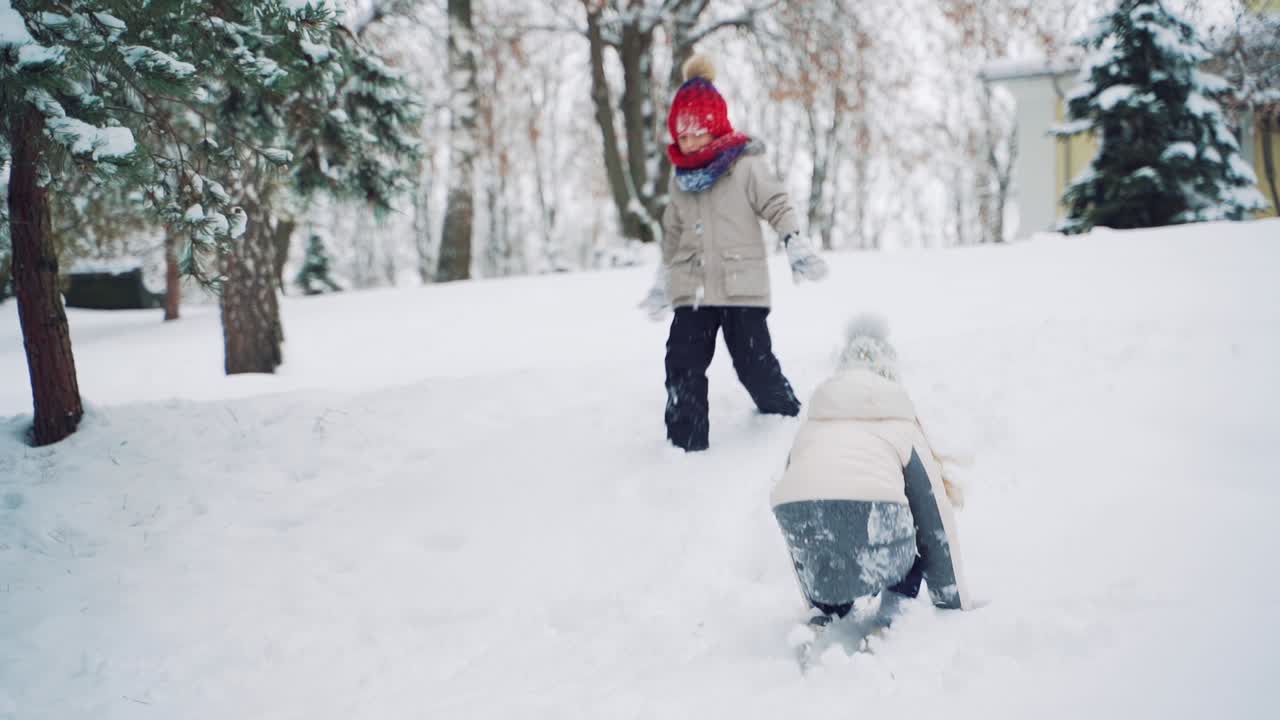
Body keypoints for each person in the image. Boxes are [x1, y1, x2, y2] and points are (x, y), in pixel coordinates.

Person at [640, 54, 829, 453]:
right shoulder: (680, 180)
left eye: (696, 132)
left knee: (753, 363)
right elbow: (673, 232)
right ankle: (685, 445)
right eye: (681, 134)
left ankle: (784, 419)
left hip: (742, 286)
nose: (689, 141)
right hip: (693, 288)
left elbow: (775, 202)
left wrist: (792, 239)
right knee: (682, 362)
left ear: (714, 127)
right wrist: (663, 278)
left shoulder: (745, 166)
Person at [770, 315, 972, 626]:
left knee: (820, 536)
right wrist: (950, 601)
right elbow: (933, 519)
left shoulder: (813, 425)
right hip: (880, 532)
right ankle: (893, 614)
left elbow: (798, 503)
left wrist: (813, 596)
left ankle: (826, 614)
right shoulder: (900, 423)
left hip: (810, 534)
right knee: (903, 552)